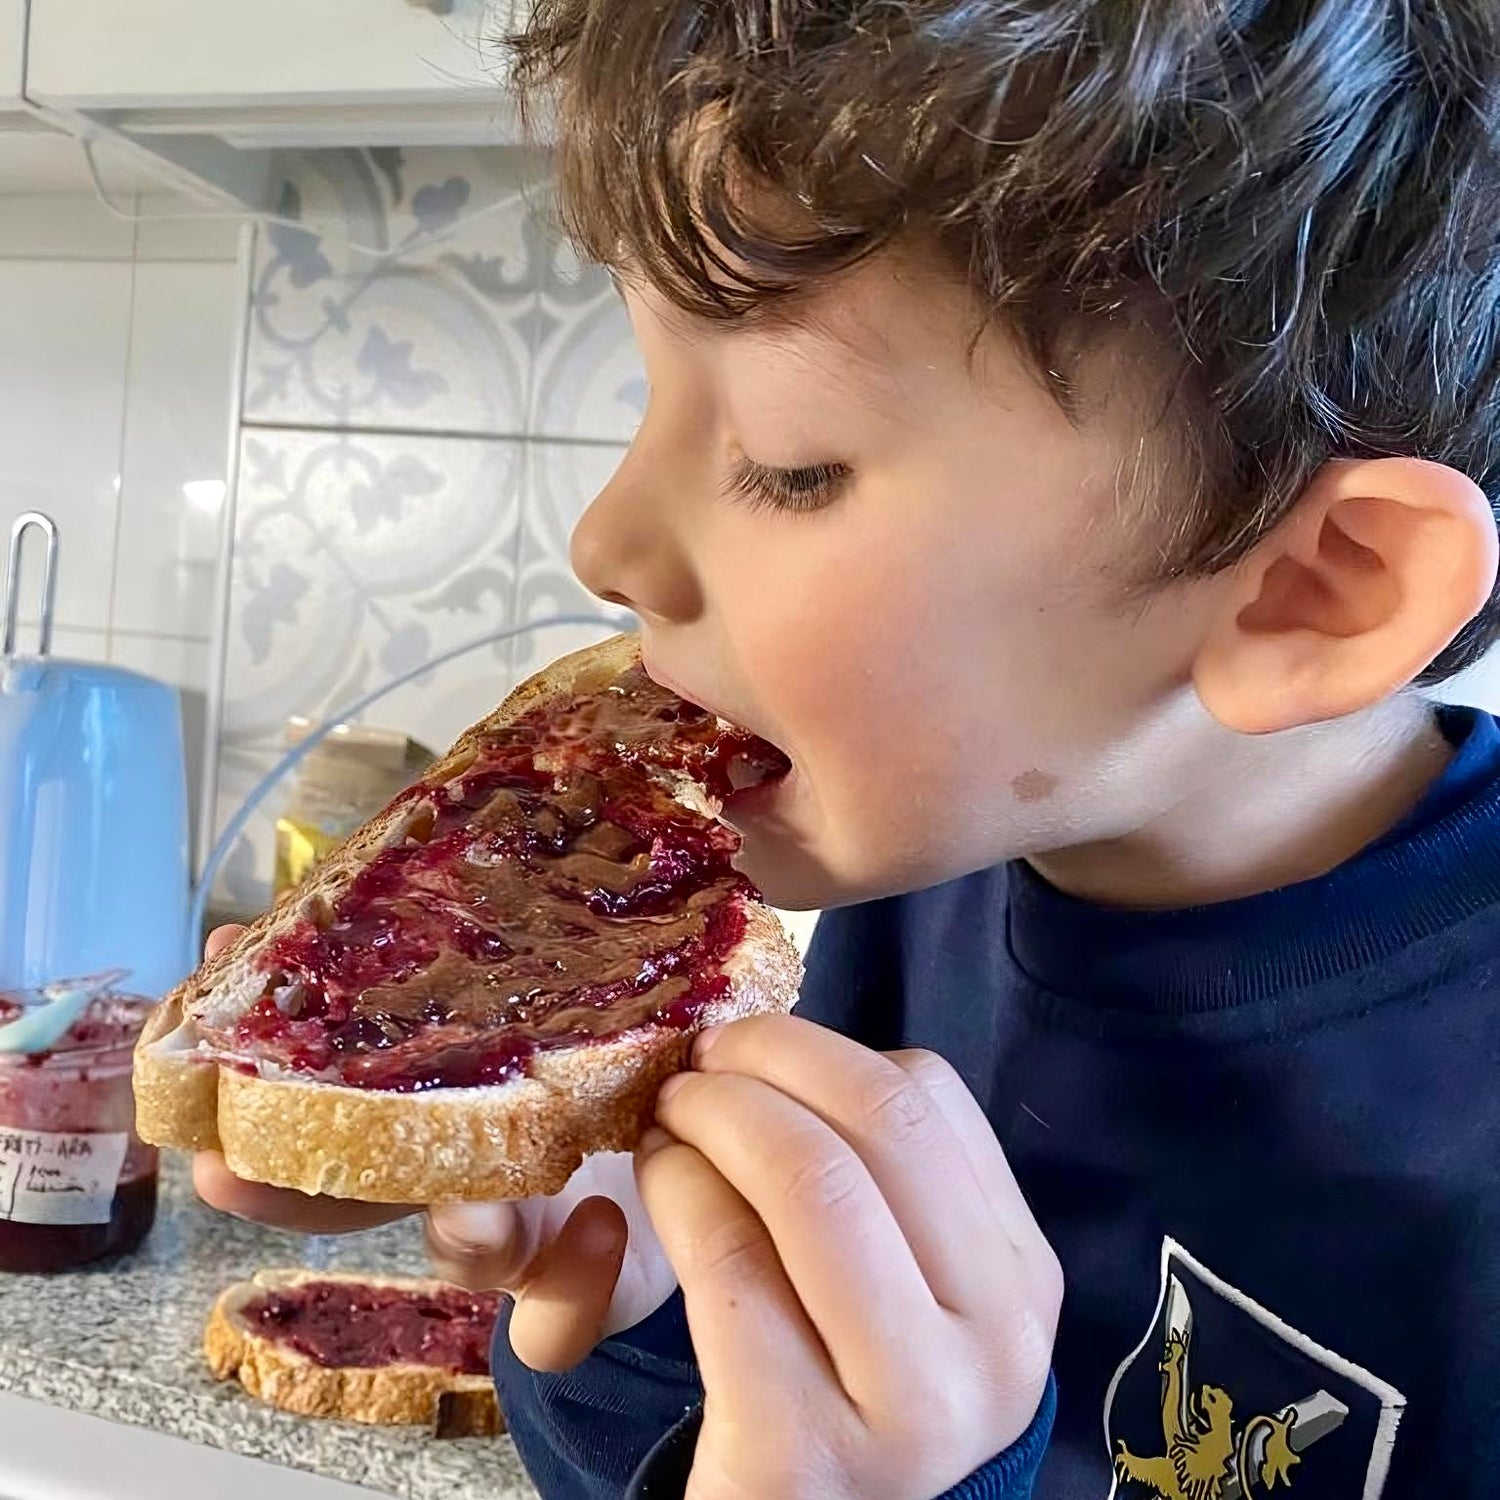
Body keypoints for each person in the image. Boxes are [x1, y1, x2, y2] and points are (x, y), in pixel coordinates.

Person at [195, 1, 1500, 1495]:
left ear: (1311, 593)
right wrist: (649, 1316)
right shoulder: (881, 917)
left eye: (787, 460)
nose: (604, 544)